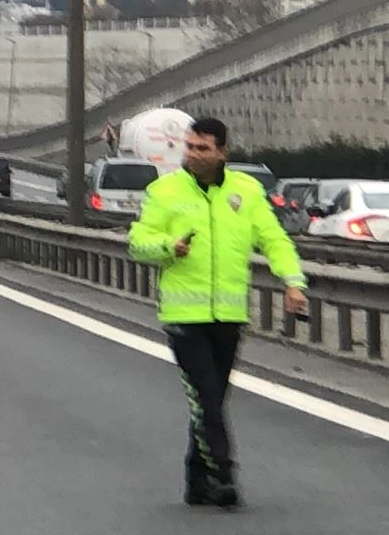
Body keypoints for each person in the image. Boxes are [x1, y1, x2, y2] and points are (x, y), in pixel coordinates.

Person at [128, 117, 307, 510]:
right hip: (183, 317)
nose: (193, 154)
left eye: (203, 148)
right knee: (205, 398)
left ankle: (196, 482)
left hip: (228, 316)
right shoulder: (165, 190)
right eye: (189, 147)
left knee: (212, 400)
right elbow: (138, 242)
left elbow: (274, 239)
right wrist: (167, 246)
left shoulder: (246, 191)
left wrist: (293, 282)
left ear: (222, 152)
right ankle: (223, 474)